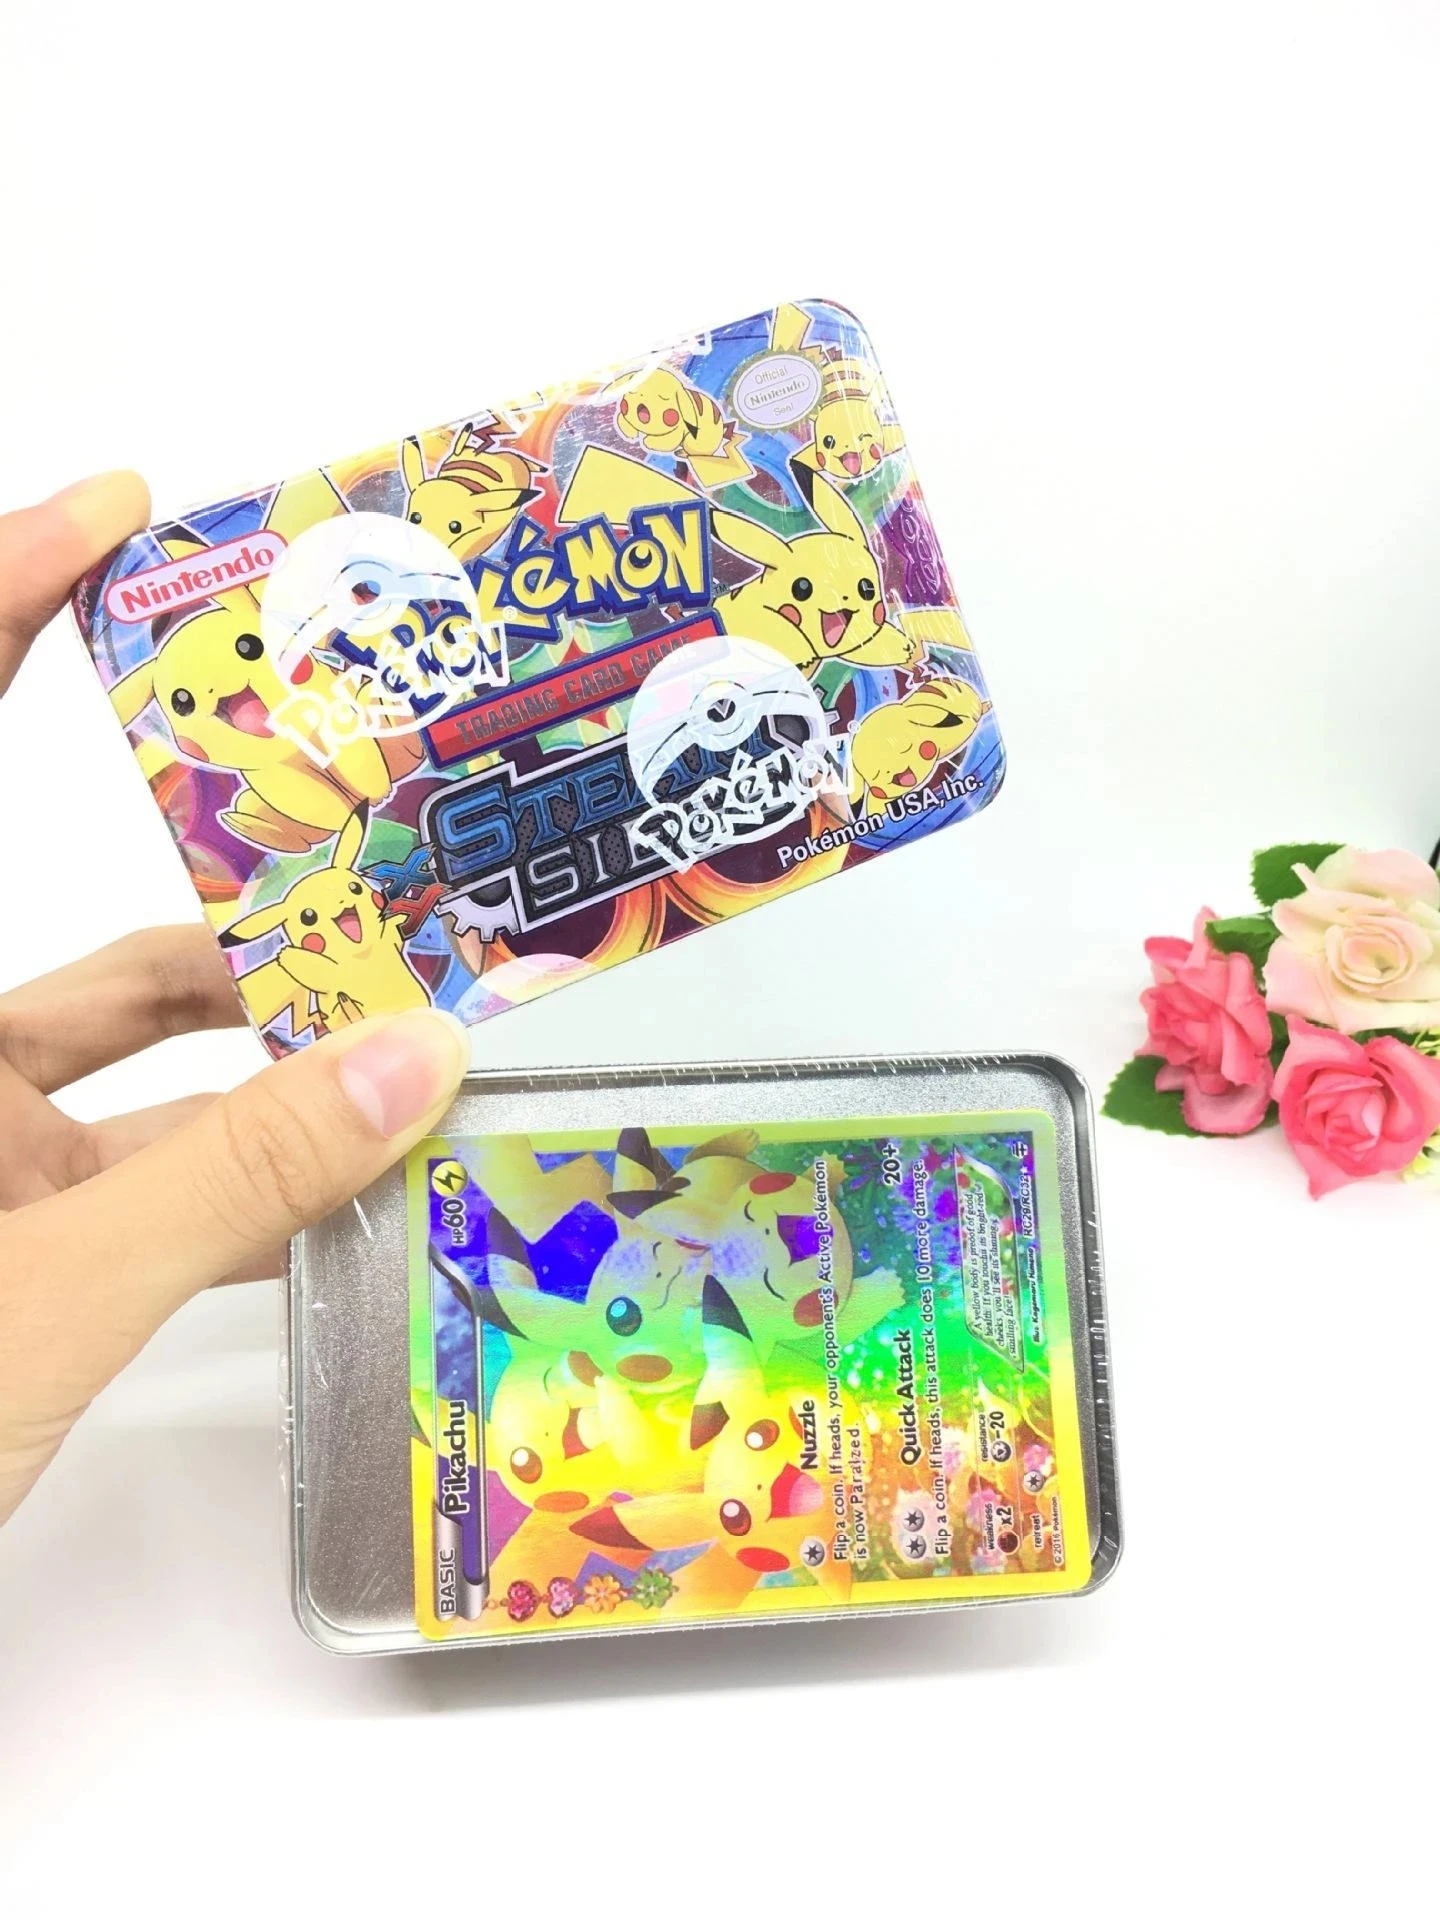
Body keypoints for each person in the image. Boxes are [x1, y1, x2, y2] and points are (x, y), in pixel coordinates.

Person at [0, 472, 470, 1524]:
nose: (221, 700)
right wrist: (276, 1151)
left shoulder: (378, 727)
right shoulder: (263, 822)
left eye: (249, 648)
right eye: (185, 706)